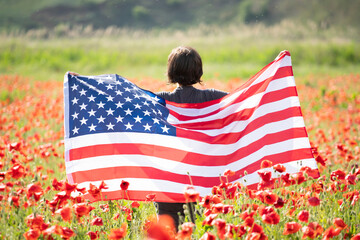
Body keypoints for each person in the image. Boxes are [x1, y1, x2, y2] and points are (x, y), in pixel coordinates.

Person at [156, 46, 228, 228]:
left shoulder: (160, 101)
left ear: (171, 71)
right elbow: (247, 101)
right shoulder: (213, 98)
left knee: (169, 235)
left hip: (169, 184)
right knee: (202, 231)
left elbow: (126, 102)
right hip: (203, 183)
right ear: (198, 71)